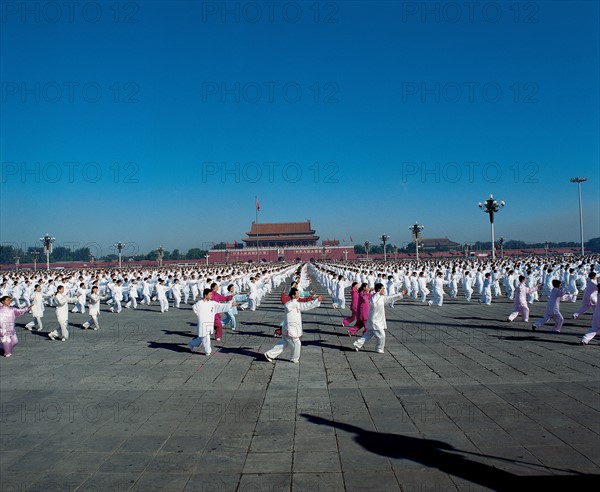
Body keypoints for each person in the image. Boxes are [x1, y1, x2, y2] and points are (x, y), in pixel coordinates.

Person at [264, 288, 322, 364]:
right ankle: (294, 358)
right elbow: (287, 306)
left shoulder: (296, 303)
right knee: (297, 343)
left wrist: (317, 300)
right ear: (293, 295)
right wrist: (294, 300)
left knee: (283, 343)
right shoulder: (289, 303)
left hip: (290, 328)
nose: (299, 295)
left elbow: (305, 306)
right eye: (297, 294)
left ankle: (269, 354)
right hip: (290, 329)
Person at [353, 283, 404, 354]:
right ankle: (379, 348)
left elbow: (391, 297)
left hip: (376, 320)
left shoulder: (380, 297)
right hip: (375, 321)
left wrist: (400, 294)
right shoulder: (376, 298)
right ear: (379, 289)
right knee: (382, 335)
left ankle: (357, 344)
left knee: (369, 334)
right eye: (383, 288)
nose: (384, 290)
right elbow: (379, 300)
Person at [189, 288, 234, 356]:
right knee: (205, 337)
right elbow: (194, 308)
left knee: (201, 338)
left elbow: (221, 306)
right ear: (205, 295)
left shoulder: (212, 303)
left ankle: (192, 343)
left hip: (209, 322)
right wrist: (200, 316)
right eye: (210, 294)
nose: (211, 296)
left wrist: (231, 305)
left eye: (211, 294)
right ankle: (208, 351)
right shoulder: (199, 303)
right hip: (202, 323)